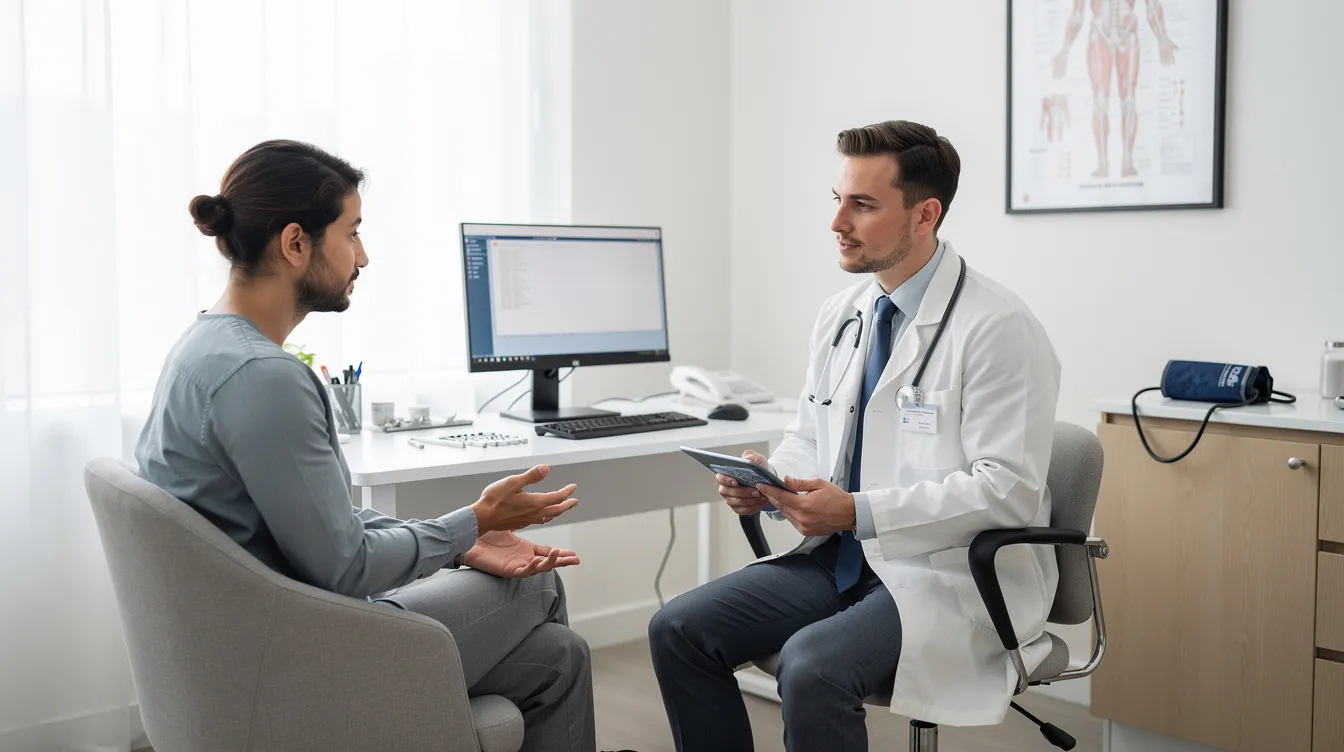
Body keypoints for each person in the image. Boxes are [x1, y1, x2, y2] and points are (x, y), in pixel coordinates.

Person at [135, 139, 605, 752]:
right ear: (296, 243)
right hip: (296, 661)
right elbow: (345, 566)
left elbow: (313, 520)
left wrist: (462, 542)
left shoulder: (203, 348)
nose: (364, 256)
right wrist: (473, 523)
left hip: (253, 634)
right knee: (538, 584)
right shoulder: (264, 377)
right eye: (352, 233)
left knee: (558, 657)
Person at [648, 120, 1062, 751]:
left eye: (863, 205)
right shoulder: (841, 315)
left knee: (811, 666)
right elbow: (810, 433)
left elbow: (1006, 490)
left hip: (946, 575)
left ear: (925, 214)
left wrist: (856, 510)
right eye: (837, 199)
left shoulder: (999, 328)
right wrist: (775, 484)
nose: (837, 222)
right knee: (678, 627)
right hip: (840, 561)